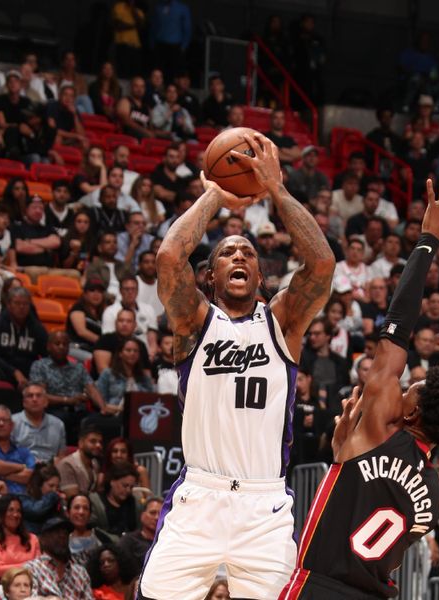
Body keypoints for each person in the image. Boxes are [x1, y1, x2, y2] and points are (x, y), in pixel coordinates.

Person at [139, 132, 334, 599]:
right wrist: (214, 195)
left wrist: (277, 190)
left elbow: (322, 265)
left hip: (263, 503)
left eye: (248, 251)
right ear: (210, 276)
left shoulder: (282, 321)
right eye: (227, 252)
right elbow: (168, 257)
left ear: (261, 276)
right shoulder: (194, 321)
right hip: (199, 497)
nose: (240, 255)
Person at [281, 172, 439, 599]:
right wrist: (342, 460)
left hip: (316, 585)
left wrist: (428, 238)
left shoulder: (380, 431)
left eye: (412, 388)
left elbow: (396, 332)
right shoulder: (434, 492)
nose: (404, 385)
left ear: (411, 413)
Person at [29, 330, 106, 441]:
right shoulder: (40, 366)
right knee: (60, 419)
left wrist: (103, 408)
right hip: (53, 410)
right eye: (57, 344)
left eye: (65, 344)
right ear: (48, 347)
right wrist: (68, 400)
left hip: (78, 411)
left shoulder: (78, 367)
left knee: (97, 420)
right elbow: (41, 395)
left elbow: (91, 388)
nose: (61, 347)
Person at [0, 286, 48, 386]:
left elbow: (48, 355)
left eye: (25, 304)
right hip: (3, 371)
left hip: (29, 377)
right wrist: (14, 371)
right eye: (17, 303)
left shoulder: (37, 328)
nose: (21, 307)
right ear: (9, 305)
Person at [25, 515, 93, 600]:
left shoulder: (80, 573)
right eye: (56, 531)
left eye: (66, 532)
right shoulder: (32, 569)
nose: (62, 535)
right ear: (43, 539)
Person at [0, 495, 41, 581]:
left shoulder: (32, 539)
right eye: (10, 510)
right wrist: (29, 566)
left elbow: (39, 567)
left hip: (32, 582)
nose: (15, 515)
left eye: (18, 511)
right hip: (2, 586)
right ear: (1, 513)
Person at [0, 405, 36, 496]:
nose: (1, 424)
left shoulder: (24, 452)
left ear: (12, 425)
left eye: (5, 420)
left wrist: (0, 474)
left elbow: (29, 476)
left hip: (21, 501)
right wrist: (21, 467)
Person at [11, 382, 66, 463]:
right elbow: (7, 454)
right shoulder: (12, 422)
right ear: (24, 402)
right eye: (30, 396)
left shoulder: (58, 424)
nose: (34, 399)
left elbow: (61, 456)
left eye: (39, 396)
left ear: (46, 402)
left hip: (50, 469)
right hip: (22, 467)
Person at [57, 424, 104, 498]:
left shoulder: (95, 463)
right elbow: (73, 498)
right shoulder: (67, 464)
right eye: (93, 441)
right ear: (81, 443)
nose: (98, 445)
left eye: (100, 442)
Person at [119, 495, 163, 564]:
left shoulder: (167, 542)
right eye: (152, 513)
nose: (157, 518)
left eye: (161, 515)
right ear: (142, 516)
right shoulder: (128, 541)